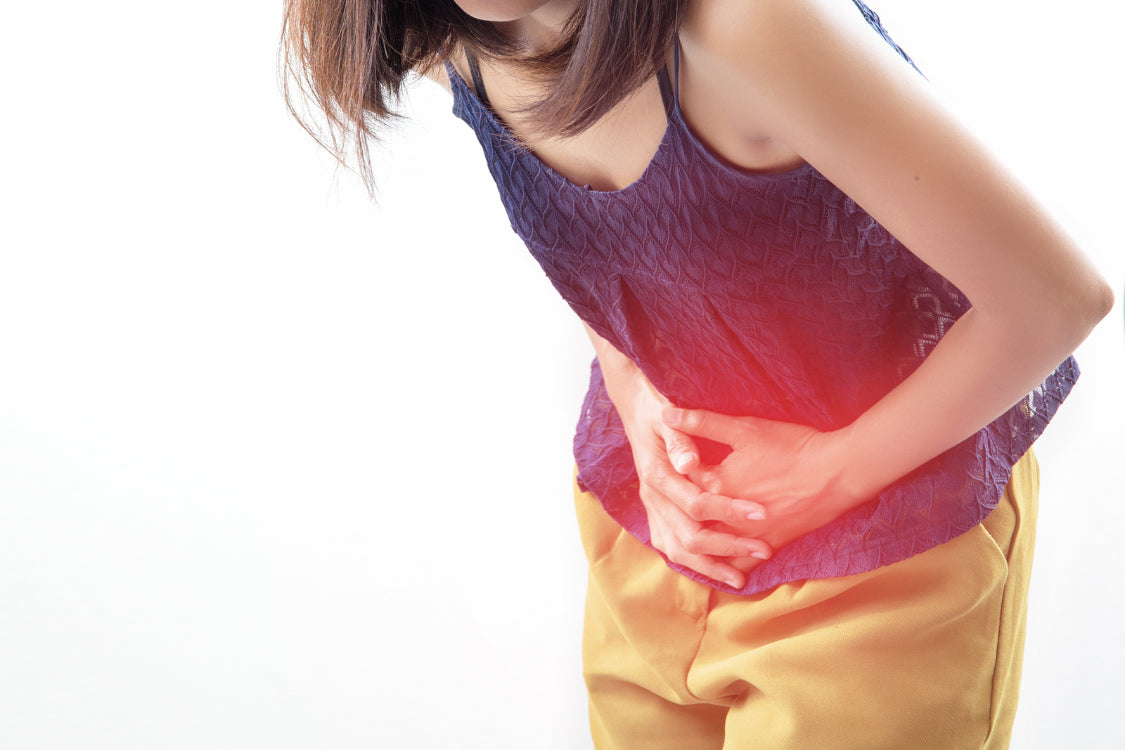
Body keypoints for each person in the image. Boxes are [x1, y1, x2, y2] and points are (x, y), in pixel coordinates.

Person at [281, 0, 1113, 747]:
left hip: (881, 549)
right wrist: (634, 391)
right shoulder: (440, 35)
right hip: (651, 535)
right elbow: (602, 249)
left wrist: (820, 478)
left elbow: (1051, 300)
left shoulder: (745, 22)